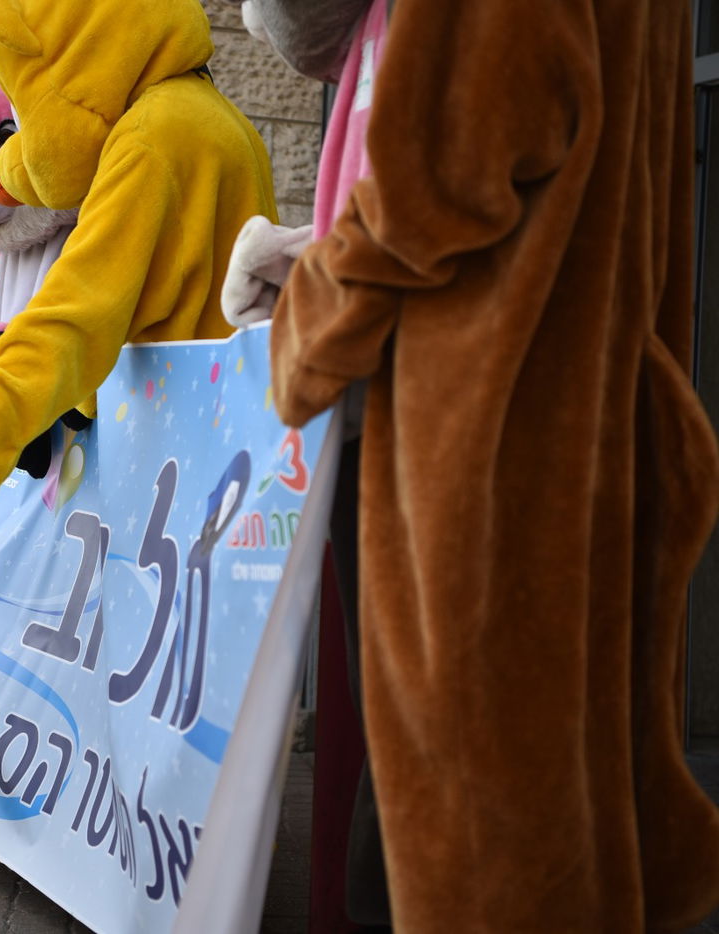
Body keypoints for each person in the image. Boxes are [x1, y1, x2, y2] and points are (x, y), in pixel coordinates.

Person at [270, 1, 719, 930]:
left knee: (471, 813)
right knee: (527, 790)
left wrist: (309, 315)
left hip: (475, 420)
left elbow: (459, 155)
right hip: (542, 398)